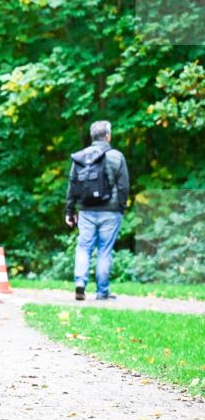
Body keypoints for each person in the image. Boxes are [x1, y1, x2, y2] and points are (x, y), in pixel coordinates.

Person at [65, 120, 130, 301]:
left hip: (86, 211)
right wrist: (121, 206)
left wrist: (69, 211)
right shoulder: (116, 156)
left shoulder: (80, 157)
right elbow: (124, 186)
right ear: (108, 136)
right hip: (111, 211)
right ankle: (102, 293)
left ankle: (80, 284)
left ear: (92, 137)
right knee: (104, 250)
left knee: (84, 247)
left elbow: (73, 186)